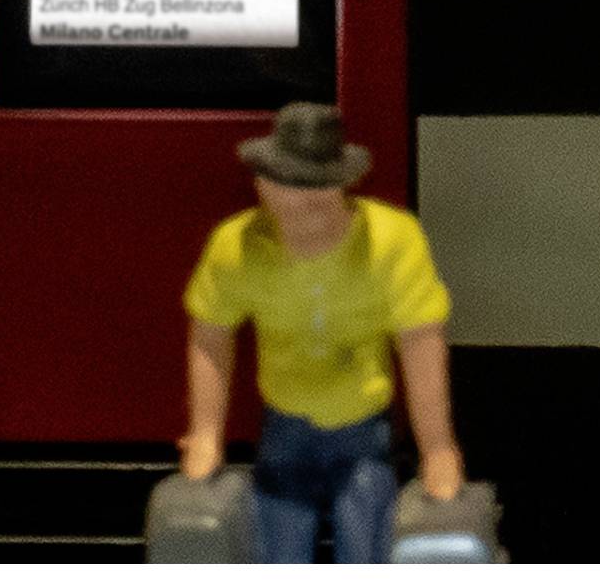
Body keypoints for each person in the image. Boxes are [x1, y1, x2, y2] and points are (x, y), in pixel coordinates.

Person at [179, 102, 462, 563]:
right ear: (262, 187)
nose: (301, 215)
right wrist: (206, 432)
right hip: (284, 426)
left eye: (314, 200)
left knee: (367, 551)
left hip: (363, 429)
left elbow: (420, 343)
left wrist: (438, 449)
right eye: (283, 191)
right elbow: (211, 334)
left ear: (339, 189)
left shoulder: (392, 241)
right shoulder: (235, 246)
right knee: (278, 554)